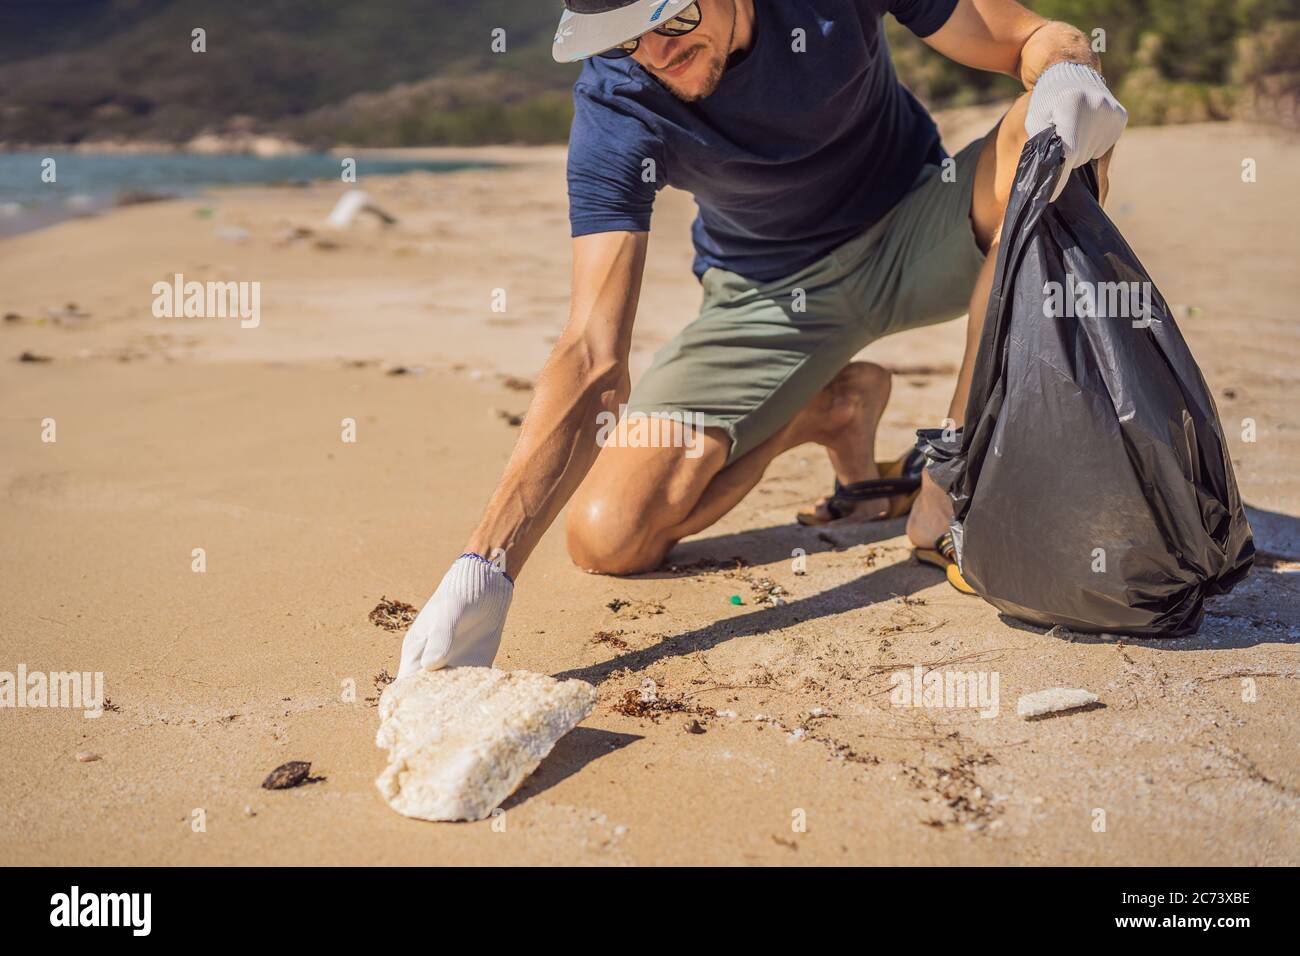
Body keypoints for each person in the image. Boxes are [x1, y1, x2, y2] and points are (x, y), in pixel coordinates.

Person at [397, 0, 1126, 676]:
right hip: (767, 296)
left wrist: (1069, 73)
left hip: (923, 226)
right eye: (624, 37)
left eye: (674, 17)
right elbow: (591, 352)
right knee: (608, 537)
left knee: (1055, 127)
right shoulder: (617, 98)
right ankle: (826, 407)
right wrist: (483, 567)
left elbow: (1038, 37)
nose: (654, 52)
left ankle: (953, 477)